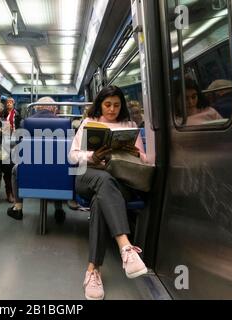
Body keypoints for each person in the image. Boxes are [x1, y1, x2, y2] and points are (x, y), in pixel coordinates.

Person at [69, 86, 148, 300]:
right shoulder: (89, 123)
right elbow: (72, 156)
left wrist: (137, 153)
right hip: (89, 175)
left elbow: (144, 160)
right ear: (100, 105)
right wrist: (92, 157)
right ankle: (125, 247)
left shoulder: (129, 126)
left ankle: (93, 270)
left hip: (118, 179)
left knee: (99, 200)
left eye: (116, 105)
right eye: (107, 104)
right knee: (102, 181)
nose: (112, 109)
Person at [7, 97, 66, 223]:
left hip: (30, 169)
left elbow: (19, 145)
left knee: (15, 170)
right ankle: (59, 209)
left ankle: (18, 207)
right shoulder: (64, 123)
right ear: (54, 109)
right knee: (61, 168)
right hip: (57, 170)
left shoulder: (25, 122)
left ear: (36, 108)